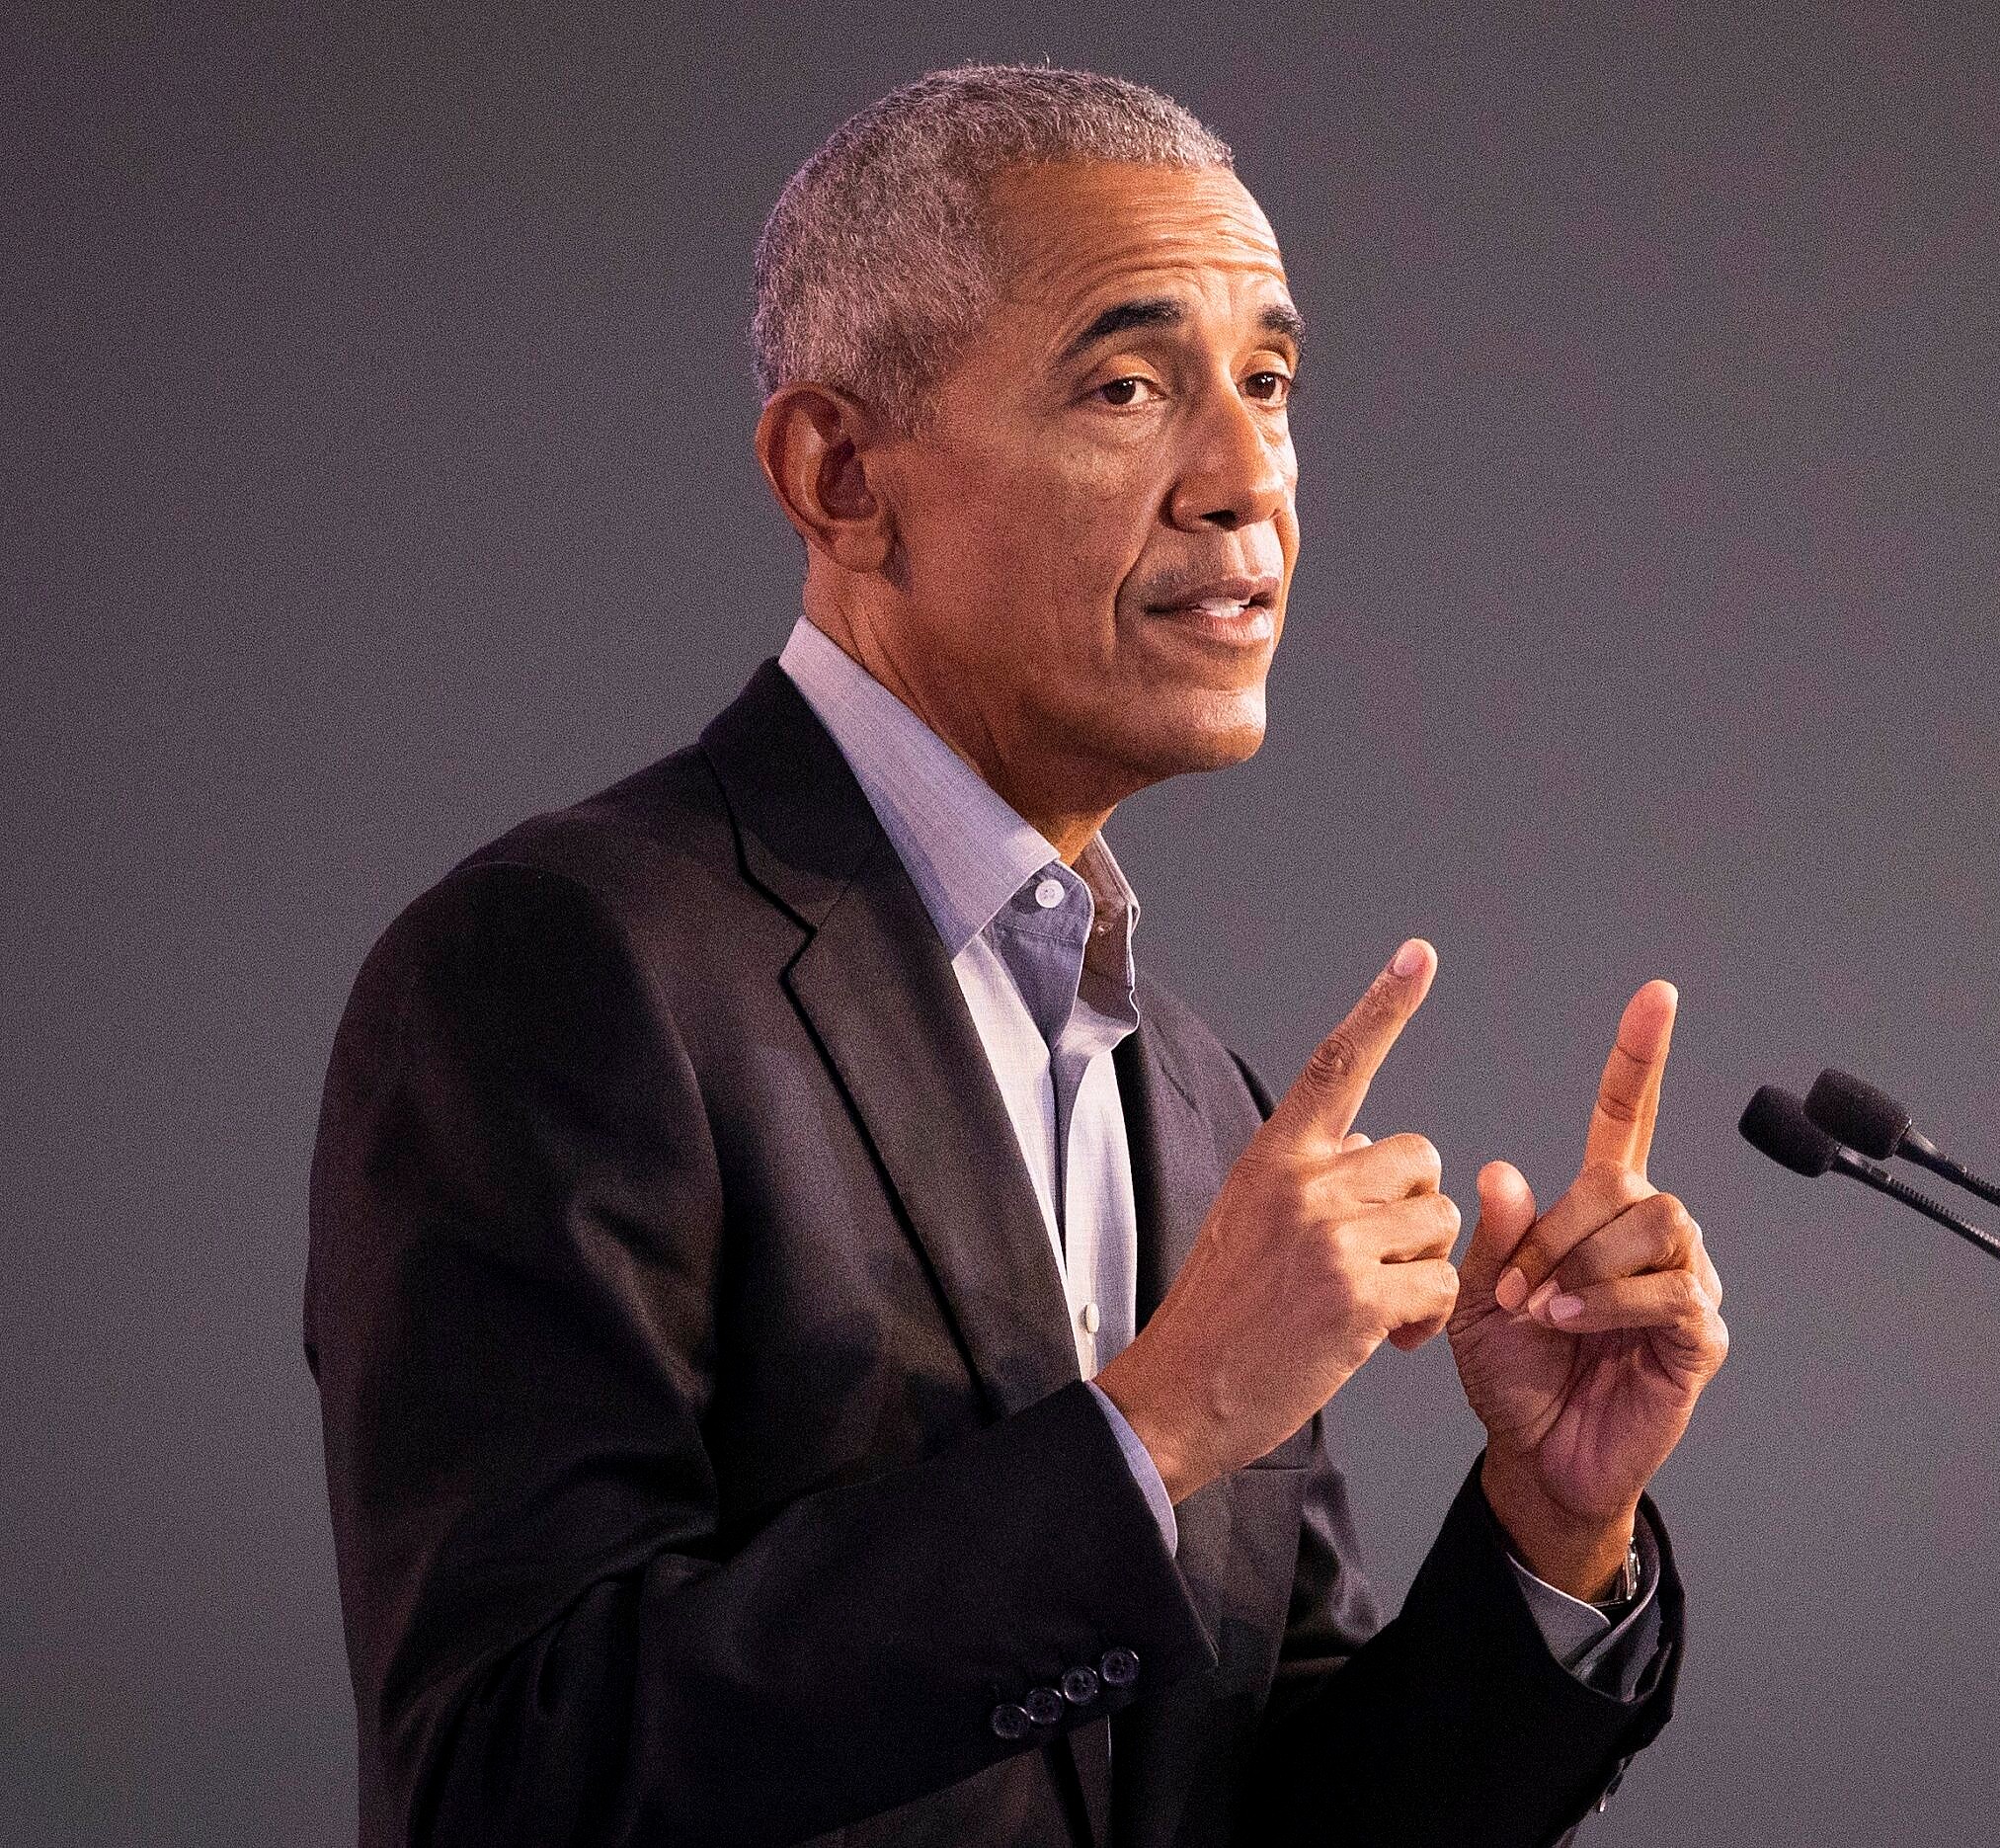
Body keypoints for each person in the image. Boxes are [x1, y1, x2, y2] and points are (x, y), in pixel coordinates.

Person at [304, 63, 1728, 1848]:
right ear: (840, 477)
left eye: (1270, 385)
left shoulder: (1201, 1100)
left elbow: (1268, 1819)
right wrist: (1160, 1426)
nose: (1243, 482)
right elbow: (505, 1775)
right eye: (1129, 387)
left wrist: (1550, 1527)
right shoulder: (560, 972)